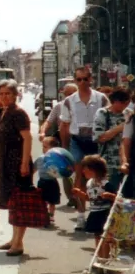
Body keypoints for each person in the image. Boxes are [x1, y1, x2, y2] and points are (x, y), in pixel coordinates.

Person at [0, 79, 33, 257]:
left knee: (19, 203)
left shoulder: (18, 113)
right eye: (1, 94)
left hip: (18, 163)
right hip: (7, 163)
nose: (4, 97)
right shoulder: (6, 112)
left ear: (15, 95)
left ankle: (18, 243)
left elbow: (27, 138)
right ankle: (14, 239)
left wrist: (25, 163)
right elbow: (3, 142)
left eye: (8, 94)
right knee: (13, 204)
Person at [60, 67, 110, 231]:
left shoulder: (101, 98)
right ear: (75, 81)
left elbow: (110, 117)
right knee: (79, 178)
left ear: (91, 80)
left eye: (85, 79)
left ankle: (102, 215)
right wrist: (64, 147)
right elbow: (65, 125)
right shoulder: (69, 101)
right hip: (78, 141)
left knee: (100, 178)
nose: (82, 83)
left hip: (97, 142)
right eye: (78, 79)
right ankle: (81, 216)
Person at [72, 155, 117, 259]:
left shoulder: (106, 184)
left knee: (104, 237)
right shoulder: (89, 183)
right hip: (95, 212)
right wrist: (80, 194)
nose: (83, 171)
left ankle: (105, 258)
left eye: (85, 169)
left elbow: (117, 198)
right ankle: (99, 258)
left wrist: (110, 196)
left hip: (105, 213)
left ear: (93, 169)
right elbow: (89, 198)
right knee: (97, 236)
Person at [94, 88, 131, 189]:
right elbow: (99, 137)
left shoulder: (129, 114)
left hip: (127, 162)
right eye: (123, 102)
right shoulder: (103, 113)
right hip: (109, 163)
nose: (125, 105)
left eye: (127, 102)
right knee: (109, 194)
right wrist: (121, 127)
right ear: (115, 101)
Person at [34, 139, 74, 224]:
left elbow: (65, 170)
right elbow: (33, 169)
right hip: (42, 182)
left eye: (45, 147)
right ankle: (43, 215)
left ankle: (51, 215)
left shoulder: (58, 160)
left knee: (52, 202)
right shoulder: (40, 159)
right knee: (42, 201)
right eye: (43, 147)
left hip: (52, 182)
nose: (43, 149)